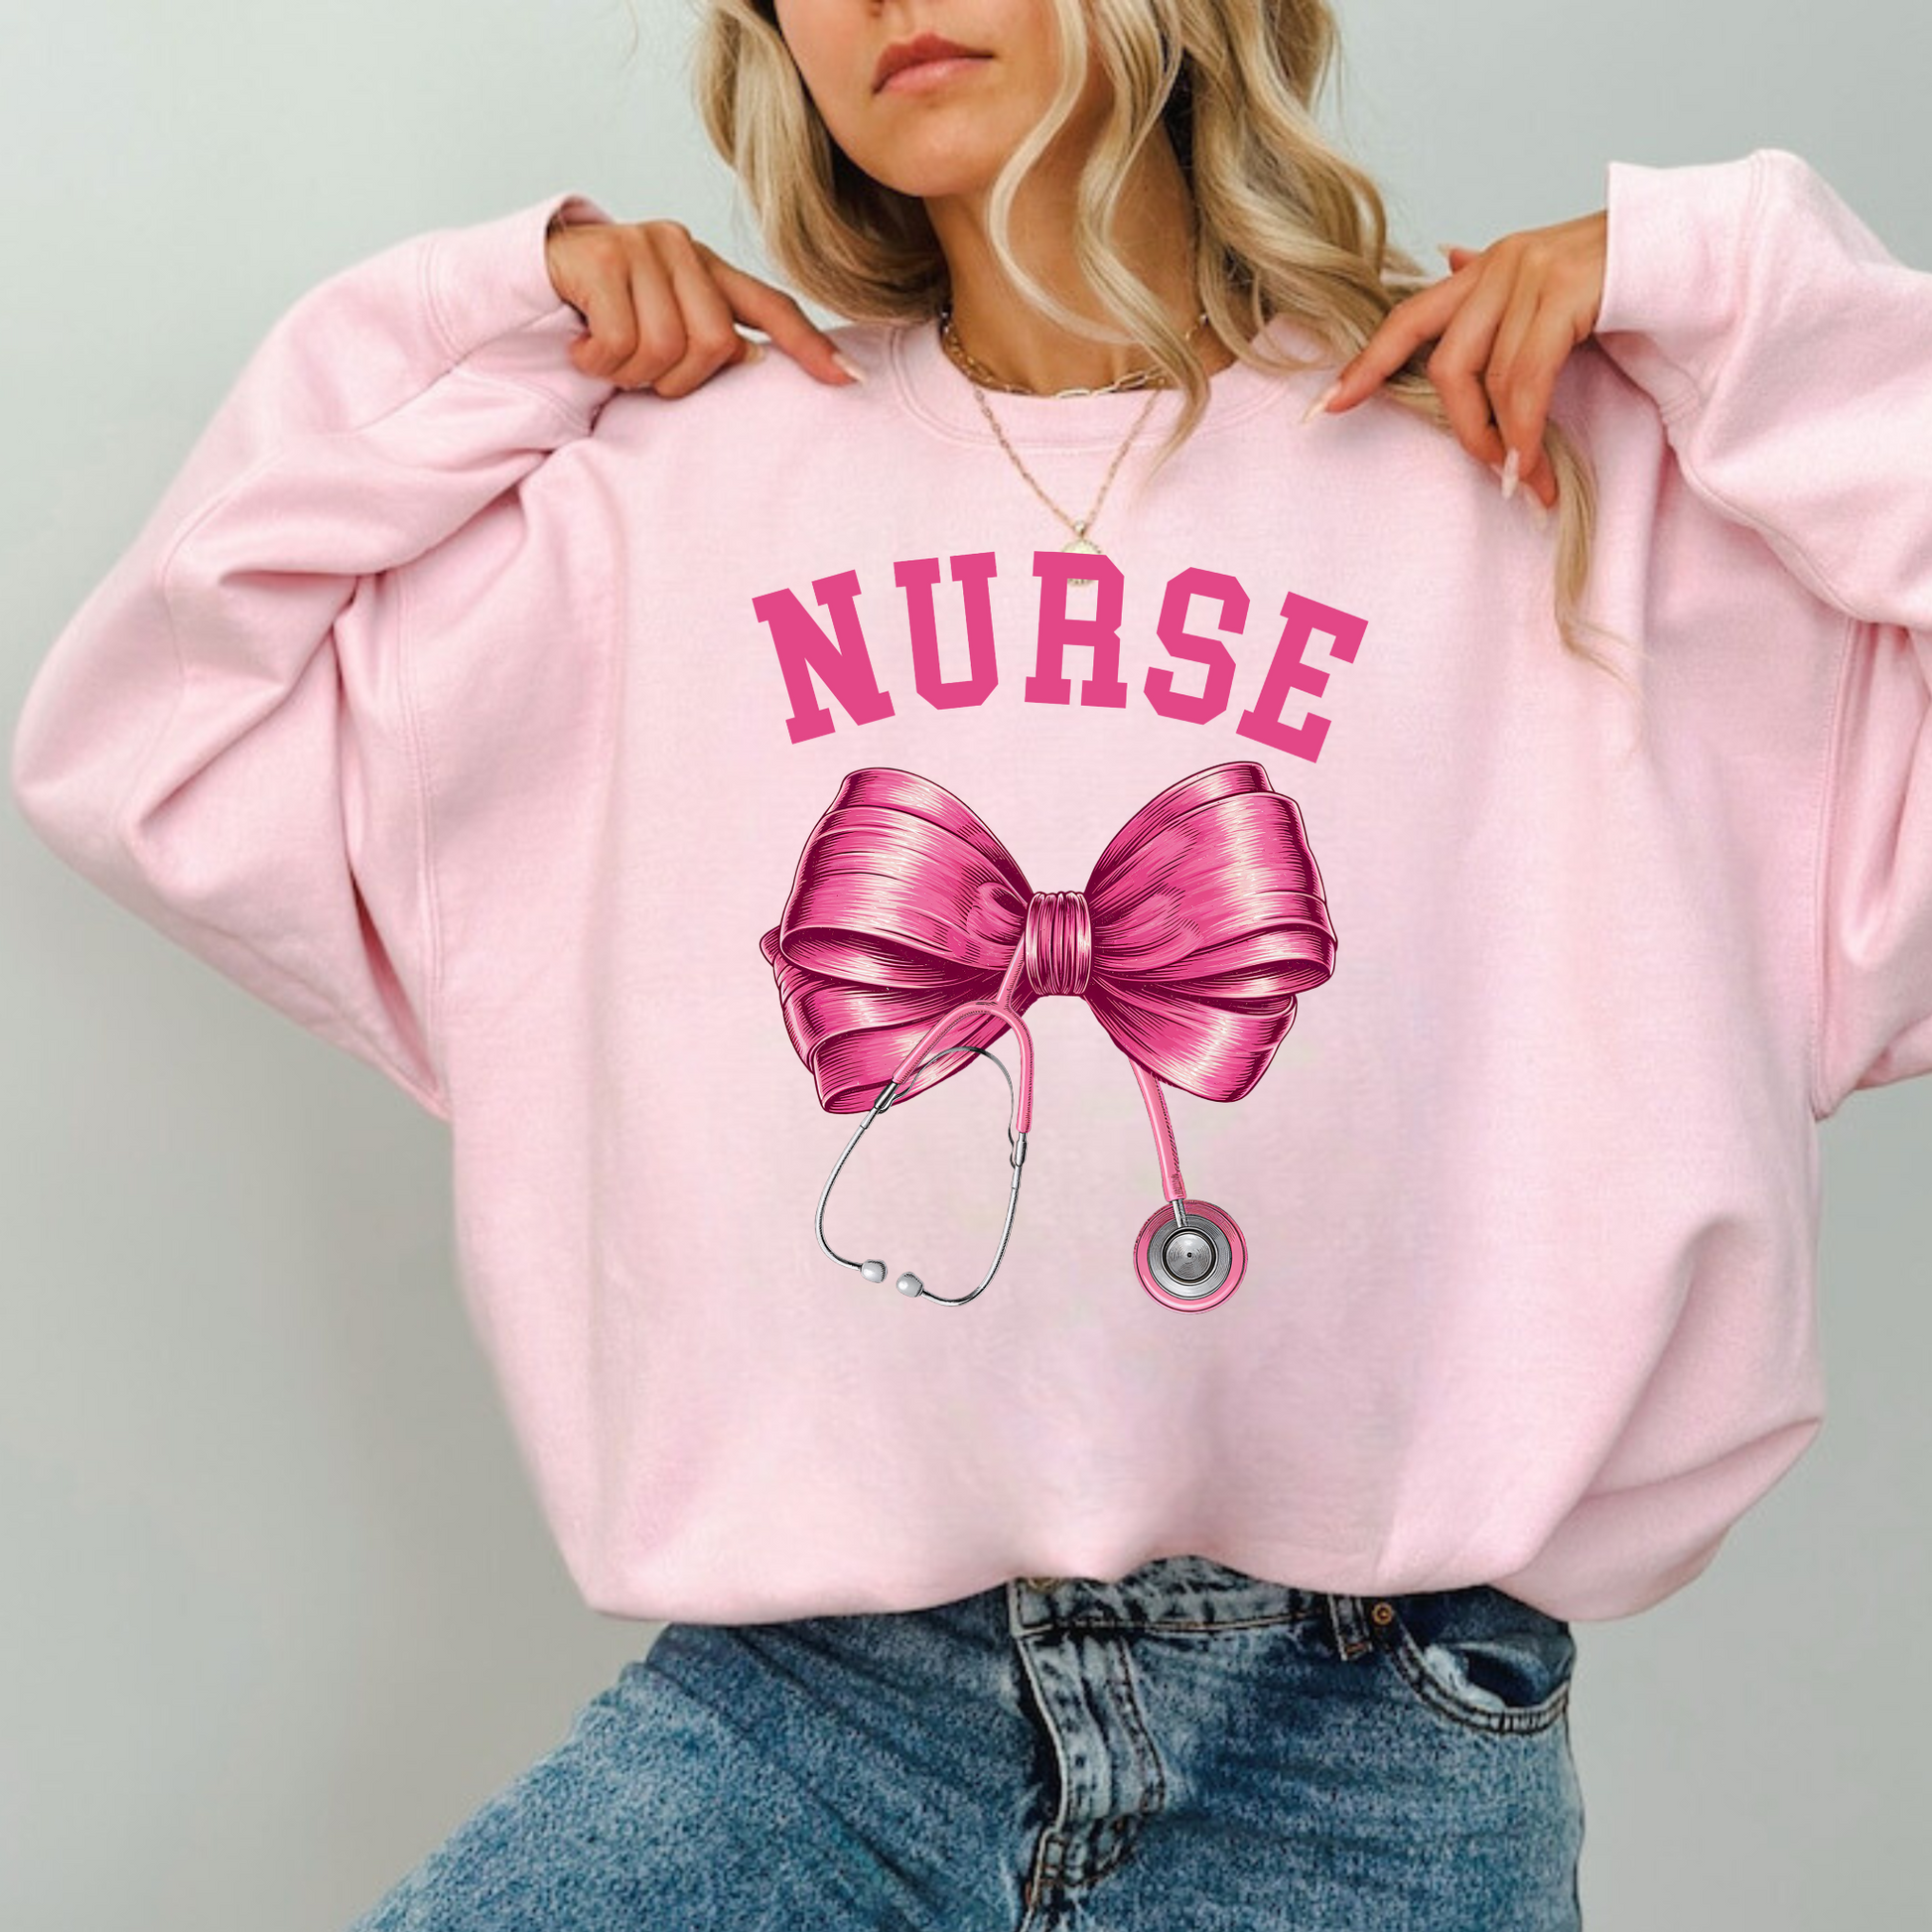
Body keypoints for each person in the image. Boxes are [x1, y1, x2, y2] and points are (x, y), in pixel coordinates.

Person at [11, 0, 1930, 1925]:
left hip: (1372, 1755)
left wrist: (1726, 290)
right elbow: (149, 741)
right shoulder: (649, 502)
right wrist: (493, 320)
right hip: (810, 1722)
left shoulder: (1540, 458)